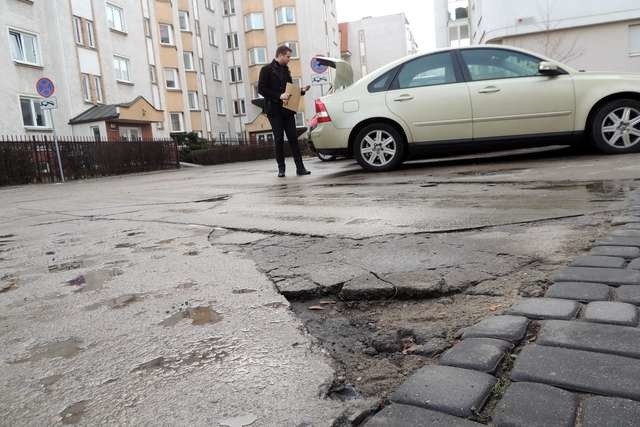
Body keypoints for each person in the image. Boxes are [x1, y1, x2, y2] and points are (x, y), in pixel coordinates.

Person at [258, 45, 311, 177]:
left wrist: (301, 91)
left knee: (293, 138)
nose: (289, 59)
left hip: (287, 110)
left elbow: (290, 90)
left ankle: (300, 168)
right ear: (280, 55)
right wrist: (278, 95)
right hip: (274, 110)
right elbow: (261, 89)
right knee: (279, 139)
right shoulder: (266, 69)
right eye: (288, 57)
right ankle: (281, 169)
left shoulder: (286, 70)